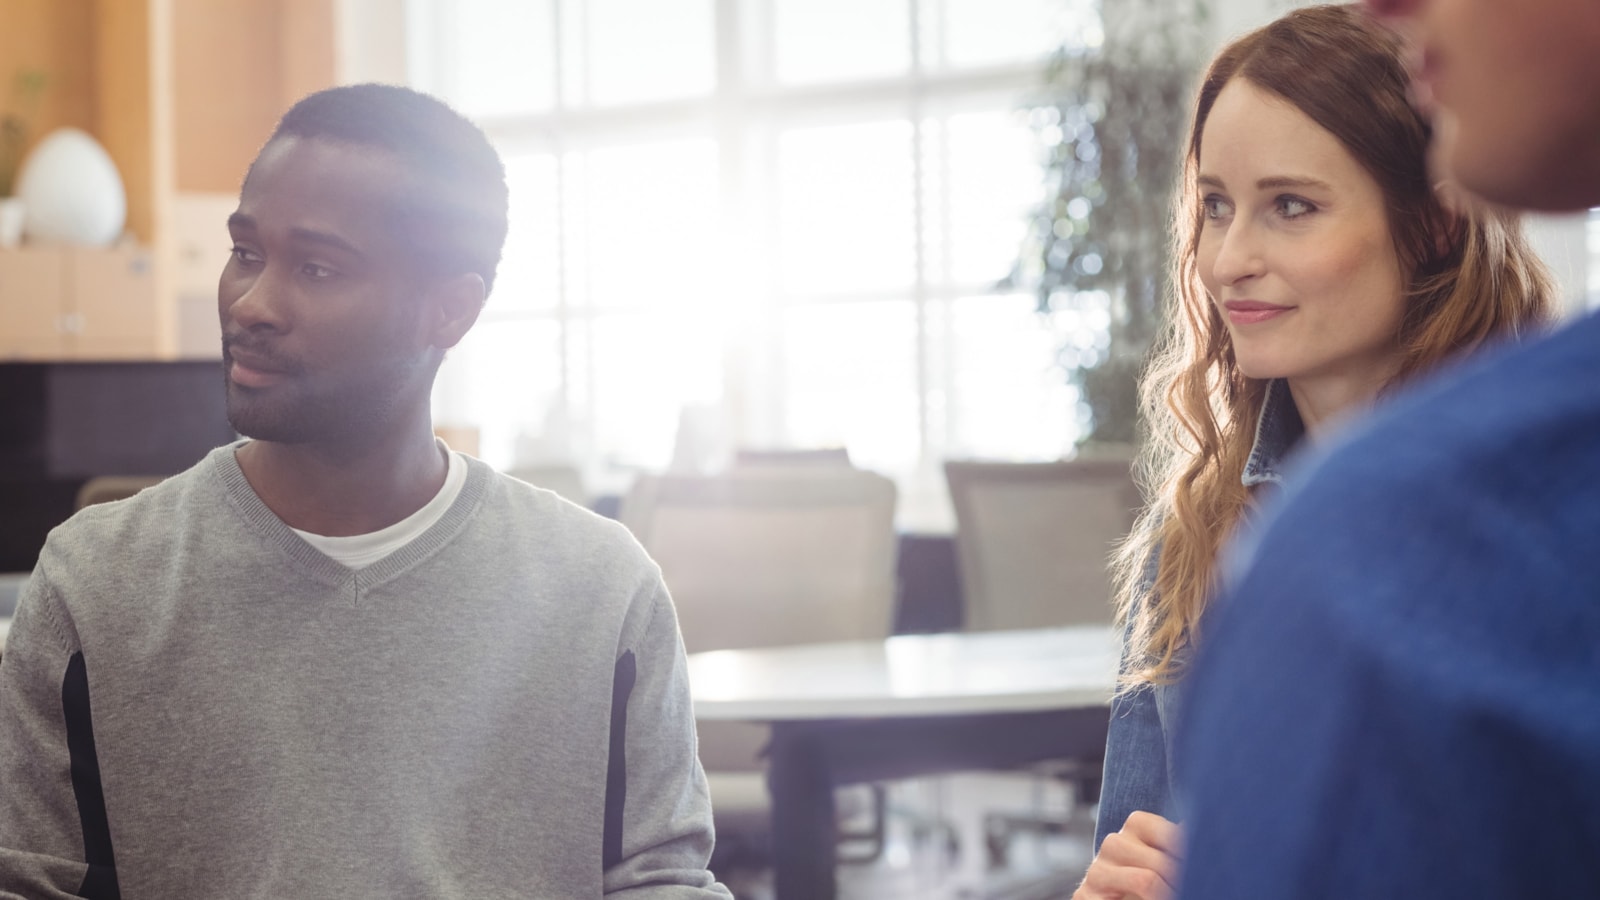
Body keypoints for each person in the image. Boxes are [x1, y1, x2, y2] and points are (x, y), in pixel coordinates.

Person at [0, 84, 731, 898]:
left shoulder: (600, 587)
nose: (251, 302)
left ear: (449, 311)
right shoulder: (95, 582)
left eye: (317, 267)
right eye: (246, 252)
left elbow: (660, 879)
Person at [1075, 5, 1556, 898]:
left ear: (1435, 222)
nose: (1228, 260)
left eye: (1289, 207)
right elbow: (1132, 844)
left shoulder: (1551, 509)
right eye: (1216, 207)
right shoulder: (1192, 537)